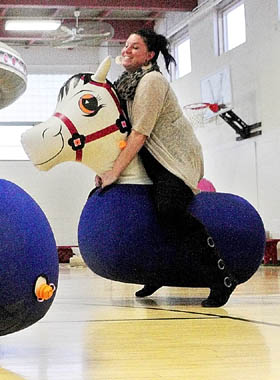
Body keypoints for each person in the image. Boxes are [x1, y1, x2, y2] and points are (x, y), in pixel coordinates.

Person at [96, 29, 237, 307]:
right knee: (151, 215)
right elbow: (120, 133)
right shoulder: (126, 84)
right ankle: (161, 270)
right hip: (150, 160)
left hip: (176, 159)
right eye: (125, 46)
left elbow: (139, 133)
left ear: (149, 55)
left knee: (170, 210)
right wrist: (105, 167)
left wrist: (114, 172)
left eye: (134, 47)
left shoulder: (151, 81)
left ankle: (222, 278)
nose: (126, 50)